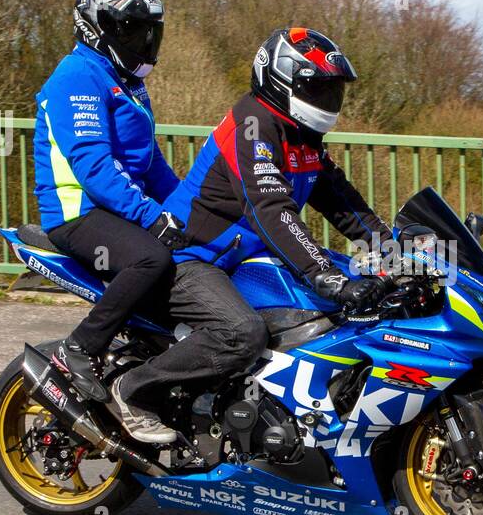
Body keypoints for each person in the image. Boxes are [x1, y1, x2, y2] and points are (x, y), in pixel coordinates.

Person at [109, 27, 390, 443]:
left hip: (241, 259)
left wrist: (396, 249)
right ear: (283, 81)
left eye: (333, 90)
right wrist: (326, 275)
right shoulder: (253, 125)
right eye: (319, 88)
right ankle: (133, 390)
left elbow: (342, 202)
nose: (329, 100)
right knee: (243, 332)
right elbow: (271, 209)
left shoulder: (303, 136)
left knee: (328, 317)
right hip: (190, 255)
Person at [33, 0, 186, 407]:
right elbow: (94, 167)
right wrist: (153, 217)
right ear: (99, 27)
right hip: (77, 211)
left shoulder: (129, 82)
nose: (145, 39)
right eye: (134, 29)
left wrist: (191, 211)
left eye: (150, 31)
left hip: (113, 207)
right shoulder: (78, 76)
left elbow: (153, 165)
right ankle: (78, 349)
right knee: (150, 257)